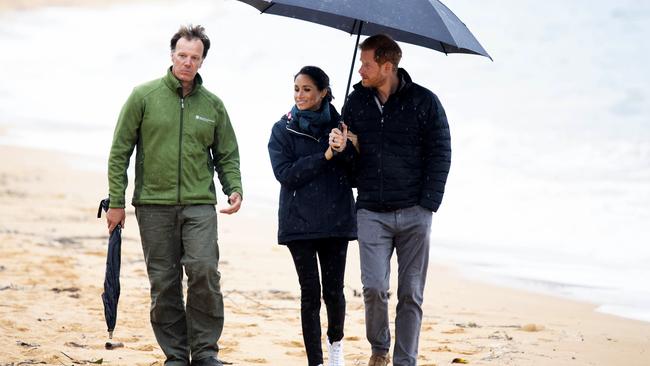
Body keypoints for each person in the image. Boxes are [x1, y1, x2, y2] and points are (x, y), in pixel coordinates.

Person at [106, 24, 242, 366]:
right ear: (171, 55)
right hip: (153, 205)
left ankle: (207, 352)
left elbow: (227, 153)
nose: (187, 62)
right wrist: (117, 201)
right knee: (164, 282)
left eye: (194, 57)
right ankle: (177, 355)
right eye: (182, 55)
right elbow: (119, 151)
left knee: (204, 271)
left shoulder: (213, 105)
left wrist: (234, 187)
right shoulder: (143, 96)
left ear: (202, 61)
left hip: (199, 204)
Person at [332, 34, 451, 366]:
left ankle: (404, 361)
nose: (360, 70)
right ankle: (380, 348)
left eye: (366, 64)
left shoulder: (425, 102)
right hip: (371, 210)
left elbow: (441, 152)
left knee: (410, 294)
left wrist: (428, 203)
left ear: (387, 66)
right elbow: (349, 166)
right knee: (373, 288)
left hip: (416, 212)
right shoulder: (355, 103)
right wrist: (345, 148)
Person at [268, 66, 357, 366]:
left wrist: (344, 148)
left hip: (336, 221)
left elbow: (357, 173)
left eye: (307, 89)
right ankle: (315, 361)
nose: (300, 95)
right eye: (296, 88)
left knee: (334, 291)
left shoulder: (343, 128)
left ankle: (336, 350)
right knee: (310, 293)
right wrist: (325, 156)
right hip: (299, 223)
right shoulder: (283, 129)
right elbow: (287, 175)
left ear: (323, 92)